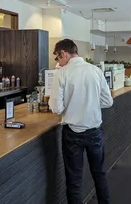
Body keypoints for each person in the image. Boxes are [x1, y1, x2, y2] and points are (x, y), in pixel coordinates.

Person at [49, 39, 113, 204]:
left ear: (64, 53)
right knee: (100, 175)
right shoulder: (95, 70)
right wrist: (89, 103)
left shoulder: (62, 73)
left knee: (74, 181)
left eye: (57, 58)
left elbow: (56, 108)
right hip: (95, 132)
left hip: (72, 134)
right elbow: (108, 102)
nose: (58, 62)